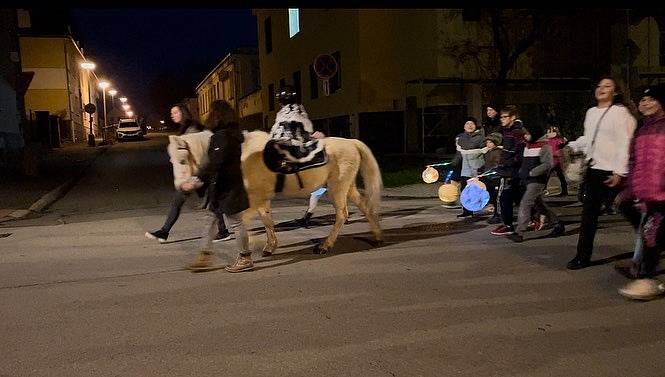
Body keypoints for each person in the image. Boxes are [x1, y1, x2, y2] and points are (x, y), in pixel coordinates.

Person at [565, 75, 637, 270]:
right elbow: (590, 139)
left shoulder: (620, 113)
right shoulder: (591, 112)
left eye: (607, 86)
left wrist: (620, 172)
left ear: (616, 92)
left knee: (629, 211)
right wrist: (573, 145)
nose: (602, 88)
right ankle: (582, 257)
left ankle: (652, 241)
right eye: (599, 85)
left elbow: (625, 143)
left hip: (611, 172)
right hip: (593, 170)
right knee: (589, 215)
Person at [183, 100, 253, 273]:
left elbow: (215, 163)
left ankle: (245, 258)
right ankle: (204, 257)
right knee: (210, 219)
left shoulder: (222, 137)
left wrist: (195, 180)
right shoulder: (232, 135)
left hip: (226, 188)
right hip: (224, 186)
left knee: (235, 223)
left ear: (217, 115)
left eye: (211, 112)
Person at [145, 103, 230, 243]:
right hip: (196, 172)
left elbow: (198, 149)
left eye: (176, 112)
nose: (173, 115)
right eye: (172, 113)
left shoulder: (192, 128)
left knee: (211, 202)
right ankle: (164, 231)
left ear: (183, 113)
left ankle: (223, 231)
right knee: (204, 201)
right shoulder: (186, 128)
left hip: (199, 172)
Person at [615, 84, 665, 300]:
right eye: (643, 100)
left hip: (663, 196)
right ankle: (644, 272)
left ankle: (646, 279)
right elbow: (635, 162)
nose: (645, 103)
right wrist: (629, 189)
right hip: (649, 195)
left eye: (651, 99)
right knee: (650, 234)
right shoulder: (642, 129)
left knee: (651, 234)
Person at [507, 123, 564, 242]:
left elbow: (548, 164)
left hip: (537, 180)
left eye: (527, 133)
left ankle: (519, 232)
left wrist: (533, 172)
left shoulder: (544, 146)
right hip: (527, 180)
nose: (525, 136)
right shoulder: (528, 145)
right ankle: (558, 223)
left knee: (525, 203)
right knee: (539, 204)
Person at [491, 105, 526, 236]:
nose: (502, 119)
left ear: (513, 117)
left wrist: (504, 163)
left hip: (511, 170)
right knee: (516, 196)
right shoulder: (508, 131)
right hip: (509, 169)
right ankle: (509, 222)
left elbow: (515, 152)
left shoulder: (516, 132)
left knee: (505, 197)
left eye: (504, 117)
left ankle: (508, 224)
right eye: (501, 117)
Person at [451, 117, 486, 217]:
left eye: (472, 124)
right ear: (464, 126)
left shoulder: (481, 138)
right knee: (464, 189)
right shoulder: (460, 138)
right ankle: (466, 211)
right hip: (465, 168)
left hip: (477, 167)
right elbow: (459, 153)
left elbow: (484, 152)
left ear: (475, 126)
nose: (470, 125)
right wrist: (454, 162)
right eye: (467, 123)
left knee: (476, 189)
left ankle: (477, 207)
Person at [477, 132, 503, 224]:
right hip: (488, 177)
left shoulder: (498, 152)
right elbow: (487, 164)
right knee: (492, 196)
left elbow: (496, 165)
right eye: (487, 142)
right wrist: (481, 170)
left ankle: (498, 215)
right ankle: (495, 213)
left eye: (490, 142)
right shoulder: (488, 152)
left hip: (496, 177)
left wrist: (487, 172)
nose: (488, 144)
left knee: (497, 198)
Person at [543, 126, 569, 197]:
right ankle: (564, 191)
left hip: (555, 160)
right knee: (560, 176)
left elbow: (562, 145)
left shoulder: (555, 140)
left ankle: (544, 190)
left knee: (547, 176)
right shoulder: (550, 140)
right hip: (554, 160)